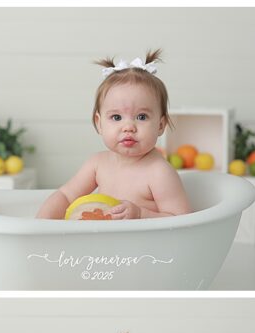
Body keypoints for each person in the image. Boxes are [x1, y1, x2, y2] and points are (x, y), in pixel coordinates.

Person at [36, 50, 190, 220]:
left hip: (143, 245)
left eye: (141, 117)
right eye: (116, 117)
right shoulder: (97, 164)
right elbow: (65, 196)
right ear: (99, 123)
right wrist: (41, 224)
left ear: (161, 125)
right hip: (105, 242)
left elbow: (181, 220)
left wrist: (140, 214)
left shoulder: (159, 172)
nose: (128, 127)